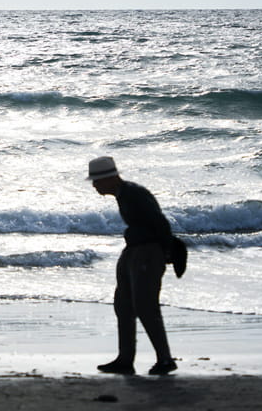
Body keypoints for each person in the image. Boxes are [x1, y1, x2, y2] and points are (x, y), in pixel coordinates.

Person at [88, 156, 177, 376]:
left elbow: (160, 222)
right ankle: (125, 359)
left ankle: (165, 359)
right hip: (135, 249)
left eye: (97, 180)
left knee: (146, 306)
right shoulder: (124, 194)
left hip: (147, 251)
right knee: (123, 304)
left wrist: (165, 252)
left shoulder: (134, 194)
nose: (94, 185)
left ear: (110, 178)